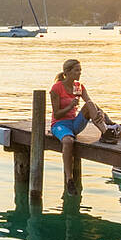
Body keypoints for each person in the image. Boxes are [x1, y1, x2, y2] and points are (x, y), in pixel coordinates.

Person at [50, 59, 112, 194]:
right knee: (68, 141)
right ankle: (69, 179)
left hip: (75, 123)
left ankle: (105, 132)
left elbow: (90, 103)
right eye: (76, 70)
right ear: (67, 72)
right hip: (60, 124)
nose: (79, 73)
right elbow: (57, 114)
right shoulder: (57, 88)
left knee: (90, 104)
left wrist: (100, 112)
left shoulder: (79, 86)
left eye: (80, 70)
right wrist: (70, 106)